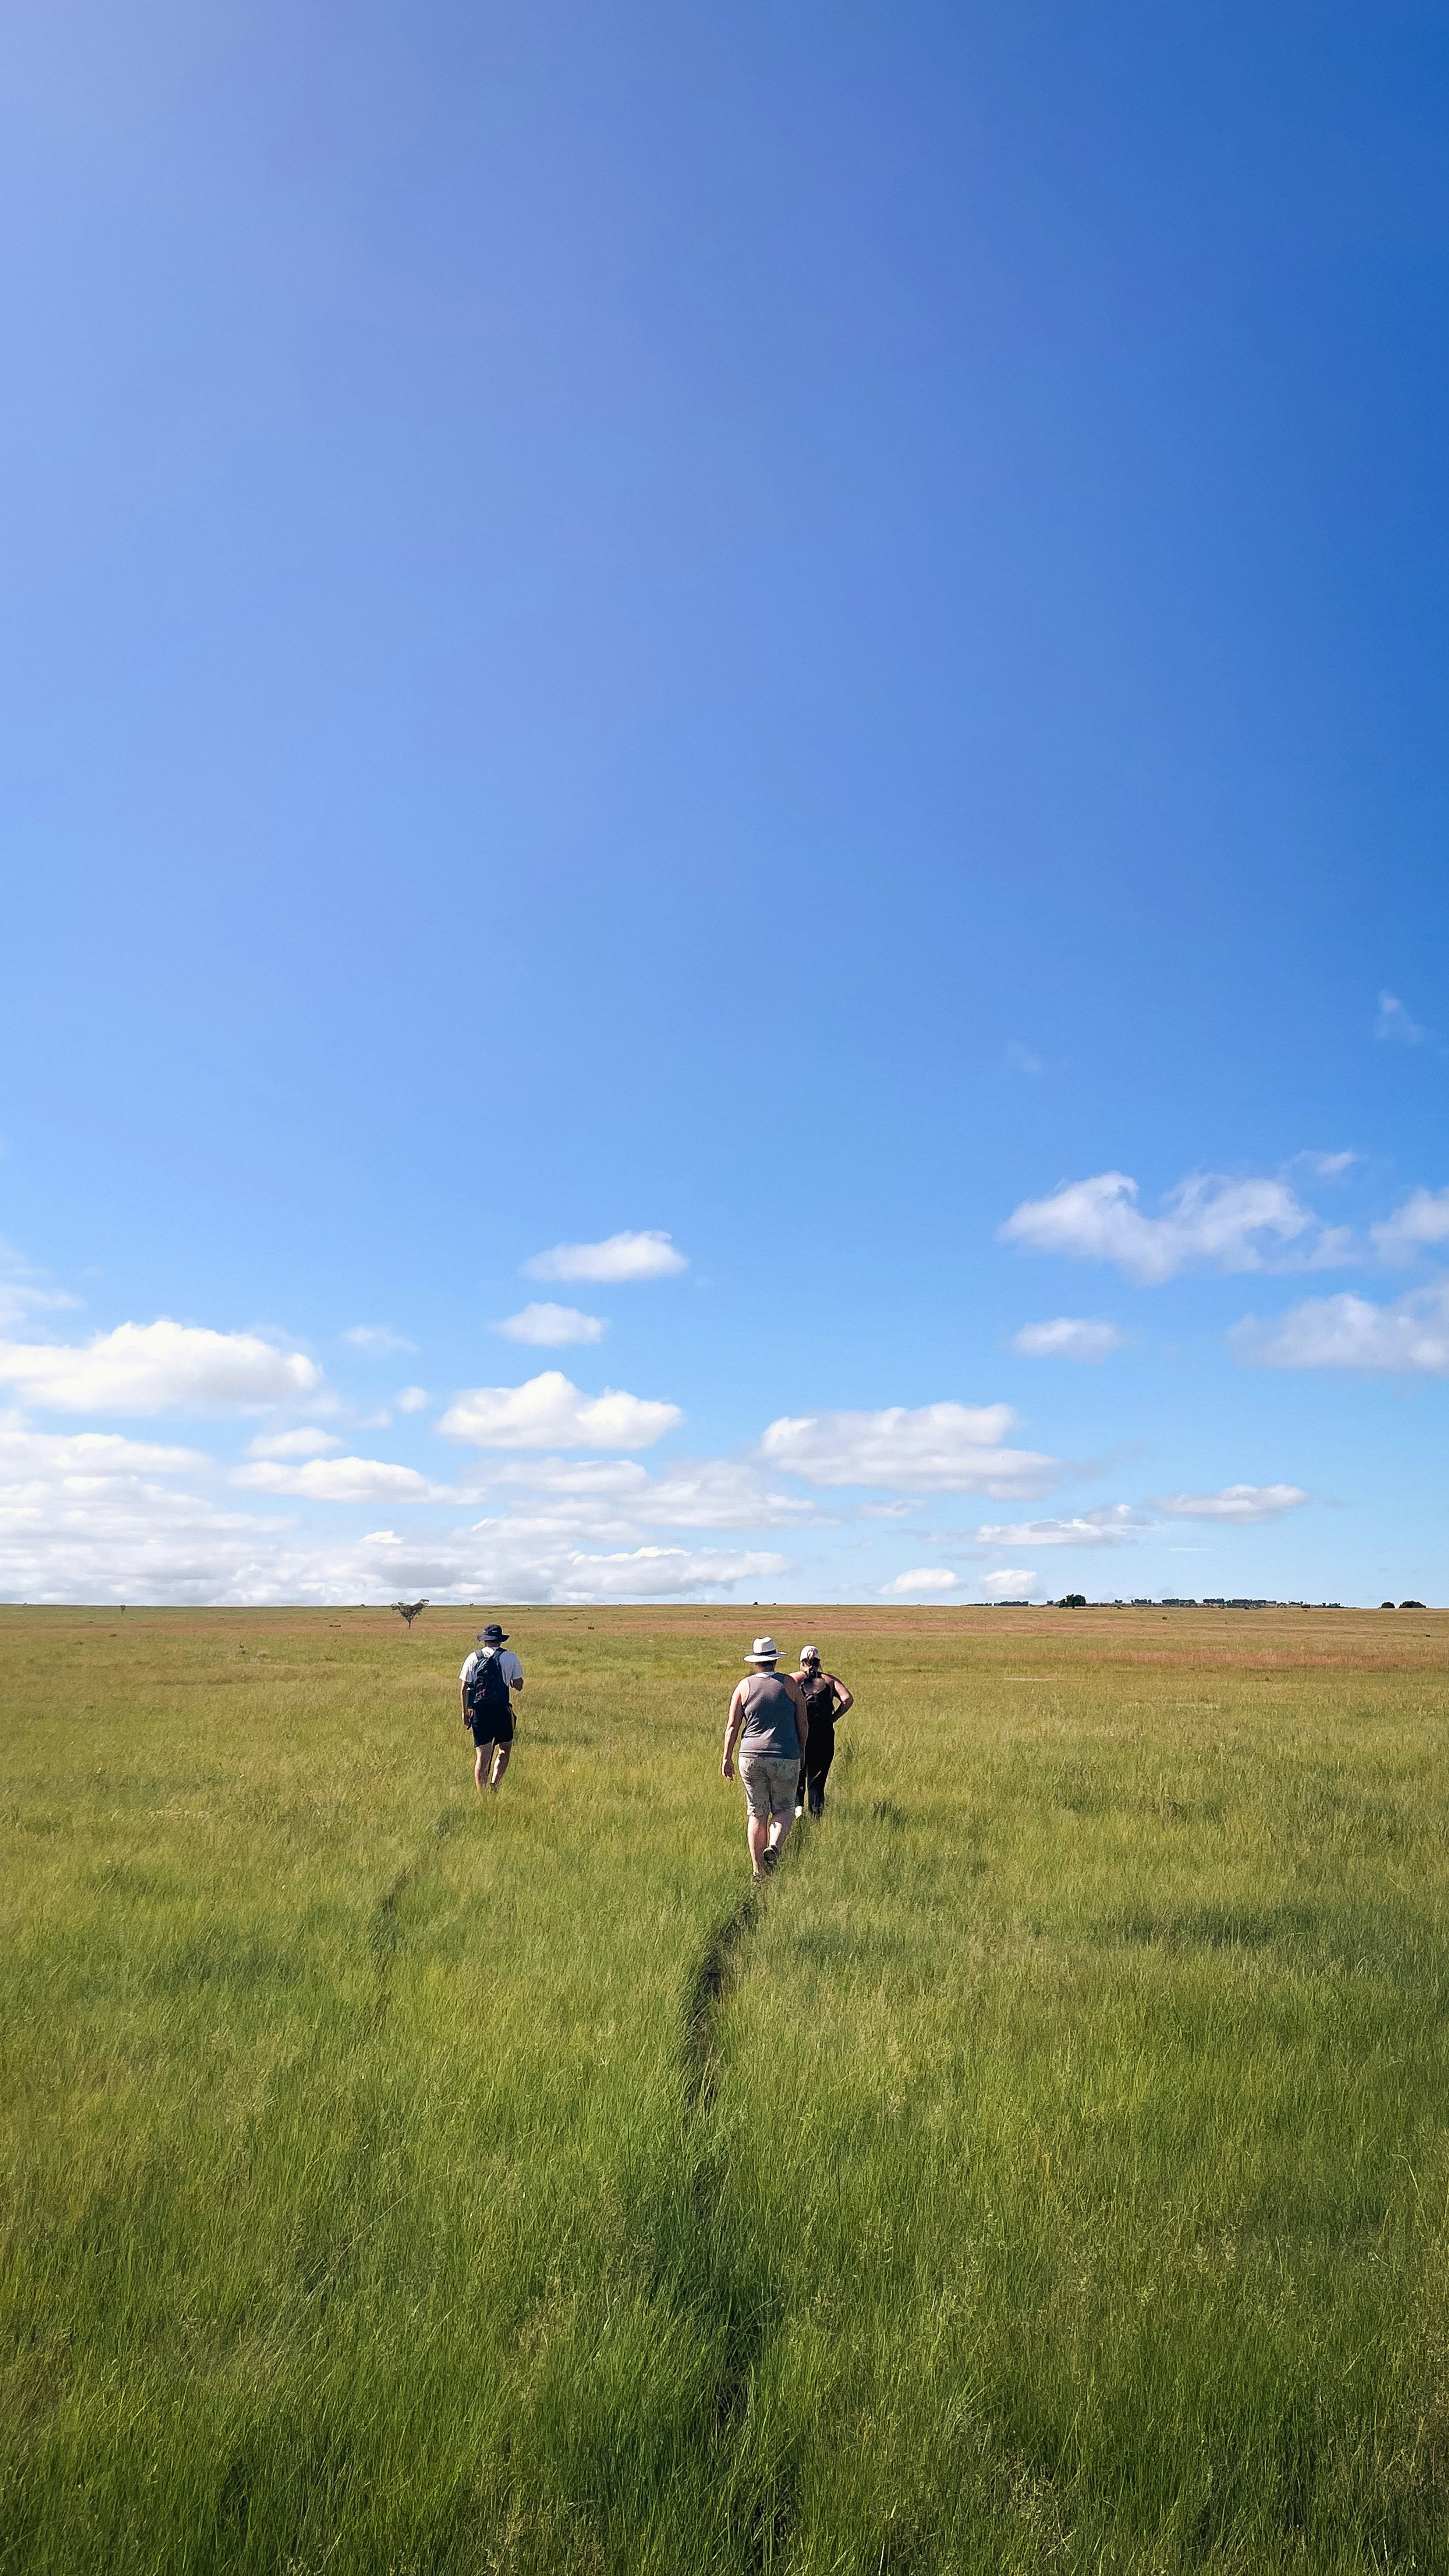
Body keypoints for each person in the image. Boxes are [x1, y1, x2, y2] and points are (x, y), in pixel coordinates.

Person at [722, 1636, 809, 1880]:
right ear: (775, 1660)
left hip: (750, 1757)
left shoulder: (744, 1686)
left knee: (757, 1813)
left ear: (756, 1662)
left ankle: (758, 1871)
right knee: (784, 1808)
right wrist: (801, 1751)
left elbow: (732, 1726)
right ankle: (775, 1847)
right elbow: (803, 1723)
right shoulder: (790, 1684)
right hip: (785, 1755)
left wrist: (727, 1758)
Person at [459, 1623, 524, 1793]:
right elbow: (519, 1685)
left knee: (482, 1757)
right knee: (505, 1749)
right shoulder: (510, 1658)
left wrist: (465, 1712)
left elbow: (464, 1688)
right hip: (502, 1712)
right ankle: (495, 1785)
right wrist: (512, 1681)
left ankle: (482, 1795)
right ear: (500, 1640)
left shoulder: (473, 1657)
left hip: (481, 1713)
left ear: (485, 1640)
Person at [793, 1645, 854, 1819]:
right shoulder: (830, 1680)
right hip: (824, 1735)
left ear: (802, 1663)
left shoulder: (795, 1679)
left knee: (797, 1773)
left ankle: (797, 1808)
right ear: (819, 1662)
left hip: (799, 1733)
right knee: (817, 1780)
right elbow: (848, 1699)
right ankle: (816, 1816)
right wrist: (834, 1718)